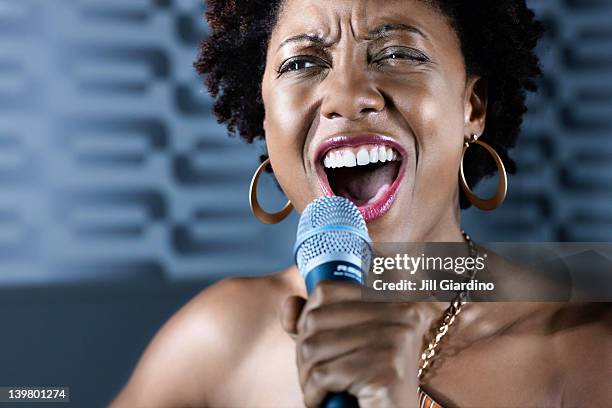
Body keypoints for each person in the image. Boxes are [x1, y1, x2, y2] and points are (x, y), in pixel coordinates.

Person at [110, 0, 612, 406]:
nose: (346, 95)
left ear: (472, 105)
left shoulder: (585, 348)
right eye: (303, 63)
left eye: (397, 53)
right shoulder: (219, 341)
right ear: (267, 119)